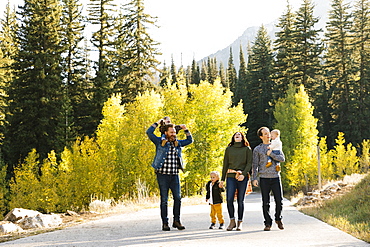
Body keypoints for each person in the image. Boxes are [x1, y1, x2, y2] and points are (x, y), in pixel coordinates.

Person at [146, 119, 193, 231]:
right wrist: (157, 122)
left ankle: (176, 221)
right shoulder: (159, 141)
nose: (174, 134)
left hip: (174, 175)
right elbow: (149, 132)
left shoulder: (178, 143)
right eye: (171, 132)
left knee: (178, 198)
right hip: (162, 175)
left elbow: (190, 140)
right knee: (164, 200)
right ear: (166, 132)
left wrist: (185, 129)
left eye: (175, 133)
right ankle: (165, 223)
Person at [252, 127, 285, 231]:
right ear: (261, 136)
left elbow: (282, 159)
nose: (268, 135)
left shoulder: (276, 145)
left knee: (279, 201)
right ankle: (267, 223)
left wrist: (271, 154)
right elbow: (255, 164)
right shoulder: (258, 149)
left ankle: (278, 219)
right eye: (265, 134)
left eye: (268, 133)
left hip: (275, 177)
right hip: (264, 178)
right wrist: (254, 178)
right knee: (265, 202)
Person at [220, 132, 252, 231]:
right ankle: (232, 221)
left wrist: (243, 174)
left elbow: (249, 163)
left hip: (242, 177)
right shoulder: (229, 149)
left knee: (240, 200)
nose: (237, 135)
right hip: (230, 176)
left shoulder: (247, 149)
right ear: (233, 137)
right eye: (235, 134)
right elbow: (225, 164)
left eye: (239, 134)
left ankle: (240, 222)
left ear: (242, 138)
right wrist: (222, 179)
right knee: (229, 199)